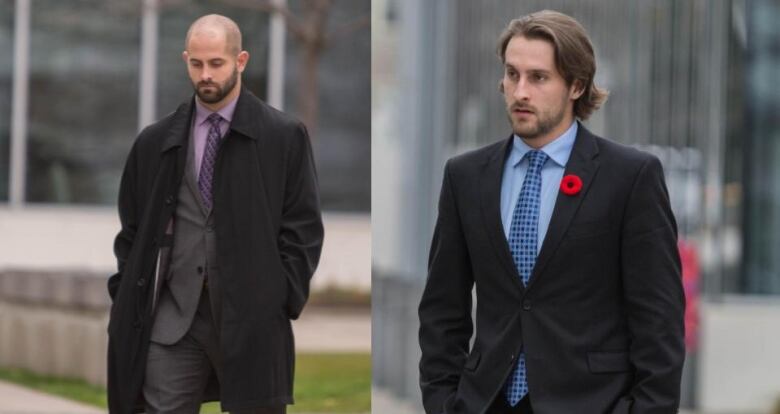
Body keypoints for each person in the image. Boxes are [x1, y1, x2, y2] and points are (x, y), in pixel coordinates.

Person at [418, 10, 684, 414]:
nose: (519, 91)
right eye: (512, 74)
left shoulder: (630, 177)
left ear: (576, 85)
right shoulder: (466, 176)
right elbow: (442, 309)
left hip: (591, 403)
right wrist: (443, 402)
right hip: (485, 402)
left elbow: (659, 320)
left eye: (538, 78)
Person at [106, 14, 323, 414]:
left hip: (252, 323)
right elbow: (131, 232)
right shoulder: (155, 141)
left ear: (240, 60)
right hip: (171, 325)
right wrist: (127, 299)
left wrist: (280, 298)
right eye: (197, 64)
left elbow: (303, 230)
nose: (205, 75)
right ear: (186, 59)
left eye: (216, 63)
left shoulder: (283, 136)